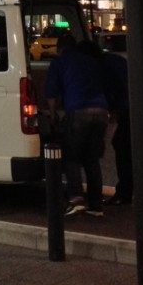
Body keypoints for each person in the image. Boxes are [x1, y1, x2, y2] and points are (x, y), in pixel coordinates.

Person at [45, 35, 110, 218]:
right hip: (101, 111)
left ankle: (76, 199)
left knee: (71, 157)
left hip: (78, 110)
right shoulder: (92, 61)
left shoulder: (59, 62)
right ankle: (96, 206)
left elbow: (51, 93)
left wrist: (52, 115)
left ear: (59, 48)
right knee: (91, 159)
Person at [101, 49, 132, 205]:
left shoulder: (104, 66)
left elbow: (110, 91)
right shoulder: (117, 60)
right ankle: (127, 190)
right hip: (132, 105)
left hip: (125, 109)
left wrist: (112, 111)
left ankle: (125, 192)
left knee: (122, 147)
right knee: (125, 146)